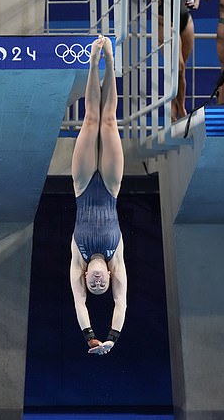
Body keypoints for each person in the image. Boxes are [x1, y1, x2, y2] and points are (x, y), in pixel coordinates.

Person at [69, 36, 128, 356]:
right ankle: (111, 62)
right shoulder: (115, 257)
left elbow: (79, 302)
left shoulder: (78, 258)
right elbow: (121, 302)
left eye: (95, 287)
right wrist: (112, 337)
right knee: (109, 120)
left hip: (81, 186)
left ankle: (93, 63)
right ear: (108, 275)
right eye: (101, 284)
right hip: (110, 186)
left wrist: (90, 335)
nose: (96, 285)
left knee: (91, 119)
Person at [157, 0, 201, 120]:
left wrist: (196, 2)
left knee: (180, 71)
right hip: (164, 20)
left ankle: (175, 108)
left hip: (185, 19)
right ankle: (181, 110)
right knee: (178, 67)